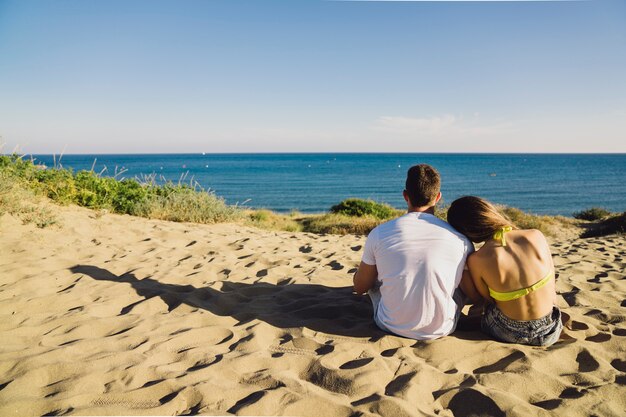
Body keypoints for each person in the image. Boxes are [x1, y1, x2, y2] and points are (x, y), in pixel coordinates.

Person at [353, 164, 477, 340]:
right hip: (442, 328)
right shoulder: (461, 239)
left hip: (390, 324)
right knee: (459, 279)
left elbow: (359, 288)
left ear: (405, 196)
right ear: (438, 197)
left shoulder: (380, 233)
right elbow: (472, 293)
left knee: (372, 280)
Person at [446, 196, 562, 346]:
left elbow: (486, 300)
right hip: (551, 330)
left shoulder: (477, 259)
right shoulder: (536, 235)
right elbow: (552, 285)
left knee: (481, 303)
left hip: (508, 332)